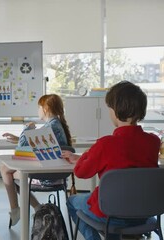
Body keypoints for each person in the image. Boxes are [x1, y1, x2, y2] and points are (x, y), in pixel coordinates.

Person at [61, 81, 160, 240]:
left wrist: (86, 154)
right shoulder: (153, 142)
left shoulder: (106, 144)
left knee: (72, 202)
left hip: (110, 214)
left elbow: (80, 172)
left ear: (115, 110)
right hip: (143, 214)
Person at [0, 94, 72, 226]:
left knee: (5, 170)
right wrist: (19, 137)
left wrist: (27, 129)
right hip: (57, 175)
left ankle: (17, 210)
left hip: (46, 175)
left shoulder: (50, 127)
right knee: (8, 173)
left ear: (46, 108)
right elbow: (37, 143)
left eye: (39, 107)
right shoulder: (56, 125)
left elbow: (22, 147)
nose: (38, 110)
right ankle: (35, 208)